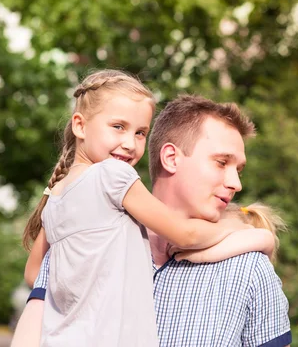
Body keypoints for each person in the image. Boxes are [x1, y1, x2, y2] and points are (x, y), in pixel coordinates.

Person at [15, 71, 272, 347]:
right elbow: (184, 236)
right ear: (79, 125)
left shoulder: (57, 195)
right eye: (118, 127)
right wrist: (255, 234)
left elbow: (35, 273)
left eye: (140, 133)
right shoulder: (113, 175)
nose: (129, 143)